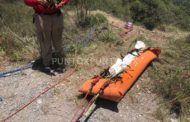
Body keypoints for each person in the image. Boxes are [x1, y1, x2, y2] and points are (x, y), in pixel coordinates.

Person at [24, 0, 70, 74]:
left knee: (58, 40)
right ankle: (47, 65)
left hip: (56, 15)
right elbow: (27, 1)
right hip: (41, 15)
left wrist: (63, 2)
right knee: (44, 41)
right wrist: (39, 1)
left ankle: (60, 63)